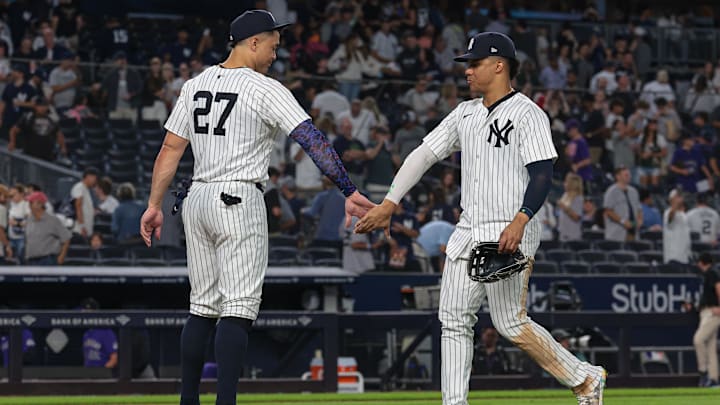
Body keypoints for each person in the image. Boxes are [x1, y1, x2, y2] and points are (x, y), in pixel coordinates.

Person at [355, 32, 606, 405]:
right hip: (468, 229)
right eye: (467, 64)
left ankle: (584, 377)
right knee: (453, 319)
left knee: (510, 323)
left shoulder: (528, 113)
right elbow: (423, 154)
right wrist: (390, 201)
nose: (468, 70)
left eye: (475, 63)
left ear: (499, 65)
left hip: (509, 229)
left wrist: (521, 219)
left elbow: (542, 174)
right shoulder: (465, 112)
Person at [138, 10, 374, 405]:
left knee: (201, 306)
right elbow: (311, 139)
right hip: (238, 197)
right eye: (272, 45)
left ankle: (188, 400)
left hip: (196, 198)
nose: (275, 54)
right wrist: (347, 188)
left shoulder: (194, 84)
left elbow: (170, 149)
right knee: (239, 307)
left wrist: (153, 205)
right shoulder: (264, 88)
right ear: (252, 42)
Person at [688, 253, 720, 387]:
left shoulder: (712, 273)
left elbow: (719, 288)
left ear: (702, 262)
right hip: (706, 311)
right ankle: (713, 379)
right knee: (710, 346)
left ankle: (703, 371)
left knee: (698, 339)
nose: (697, 264)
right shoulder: (708, 275)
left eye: (699, 262)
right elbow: (708, 296)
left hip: (713, 313)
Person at [24, 191, 71, 265]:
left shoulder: (52, 220)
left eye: (31, 203)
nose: (29, 205)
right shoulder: (29, 219)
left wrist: (61, 257)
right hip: (31, 260)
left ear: (40, 204)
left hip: (47, 260)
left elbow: (66, 238)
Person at [603, 167, 642, 241]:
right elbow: (608, 211)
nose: (629, 177)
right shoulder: (611, 191)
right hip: (617, 232)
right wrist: (623, 221)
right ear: (618, 177)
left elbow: (639, 209)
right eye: (626, 175)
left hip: (633, 231)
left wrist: (640, 220)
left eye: (629, 175)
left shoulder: (634, 191)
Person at [80, 298, 118, 369]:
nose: (86, 316)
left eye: (89, 313)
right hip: (88, 376)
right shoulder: (86, 333)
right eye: (84, 313)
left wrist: (102, 373)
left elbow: (114, 359)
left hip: (102, 376)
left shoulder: (106, 331)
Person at [663, 189, 691, 267]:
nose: (680, 199)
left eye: (680, 196)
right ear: (671, 200)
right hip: (673, 257)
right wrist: (674, 203)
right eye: (677, 197)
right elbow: (670, 216)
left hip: (684, 257)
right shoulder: (668, 212)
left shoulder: (684, 215)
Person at [71, 167, 98, 237]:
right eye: (94, 179)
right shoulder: (79, 187)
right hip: (80, 229)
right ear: (89, 177)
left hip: (87, 229)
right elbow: (78, 206)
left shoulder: (87, 190)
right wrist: (82, 226)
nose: (95, 181)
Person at [557, 173, 584, 241]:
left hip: (572, 233)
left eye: (566, 182)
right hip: (563, 232)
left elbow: (576, 217)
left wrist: (564, 208)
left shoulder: (578, 198)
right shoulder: (565, 195)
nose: (564, 184)